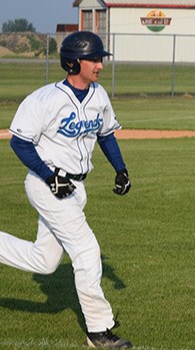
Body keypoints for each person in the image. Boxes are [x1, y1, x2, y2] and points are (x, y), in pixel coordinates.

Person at [1, 31, 133, 349]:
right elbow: (19, 142)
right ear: (74, 62)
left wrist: (120, 169)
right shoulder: (46, 99)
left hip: (76, 188)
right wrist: (49, 176)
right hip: (48, 186)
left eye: (101, 58)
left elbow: (106, 135)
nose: (100, 65)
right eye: (94, 59)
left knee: (44, 261)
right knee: (86, 251)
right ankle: (98, 330)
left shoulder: (99, 95)